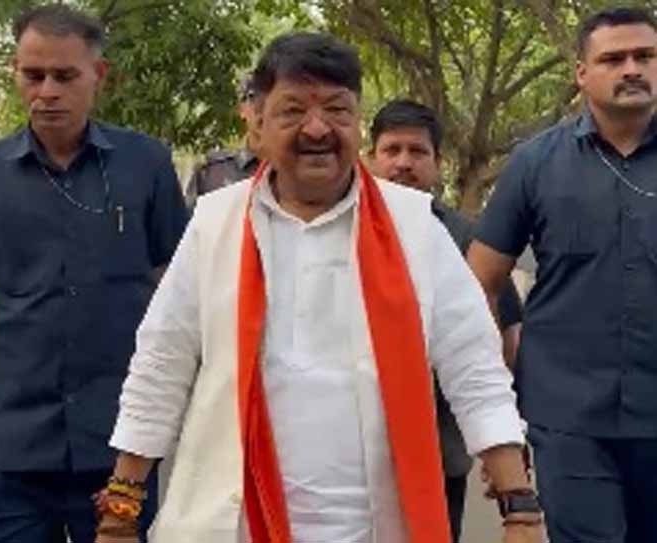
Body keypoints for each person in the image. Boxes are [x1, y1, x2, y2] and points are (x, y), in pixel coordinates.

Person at [96, 32, 542, 543]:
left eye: (337, 110)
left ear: (356, 123)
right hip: (235, 524)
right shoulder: (215, 224)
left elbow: (475, 370)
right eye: (293, 111)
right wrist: (120, 511)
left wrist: (520, 512)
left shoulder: (415, 227)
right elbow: (161, 364)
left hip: (373, 527)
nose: (317, 128)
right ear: (258, 124)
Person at [0, 5, 188, 542]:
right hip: (9, 443)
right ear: (14, 72)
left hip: (119, 443)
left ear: (98, 75)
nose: (47, 92)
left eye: (65, 76)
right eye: (33, 75)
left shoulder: (146, 165)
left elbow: (176, 294)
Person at [467, 7, 657, 543]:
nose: (632, 69)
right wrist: (496, 411)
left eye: (645, 56)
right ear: (581, 73)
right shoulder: (534, 164)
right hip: (569, 417)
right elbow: (477, 284)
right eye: (613, 59)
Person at [368, 98, 524, 543]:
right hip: (352, 445)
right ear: (370, 158)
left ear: (438, 163)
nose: (403, 163)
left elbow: (505, 334)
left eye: (417, 152)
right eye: (391, 150)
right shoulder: (340, 229)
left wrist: (500, 438)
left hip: (438, 446)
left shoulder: (463, 237)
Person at [183, 74, 261, 214]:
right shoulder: (211, 174)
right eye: (255, 98)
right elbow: (188, 225)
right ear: (241, 109)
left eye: (273, 99)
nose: (265, 108)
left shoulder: (297, 173)